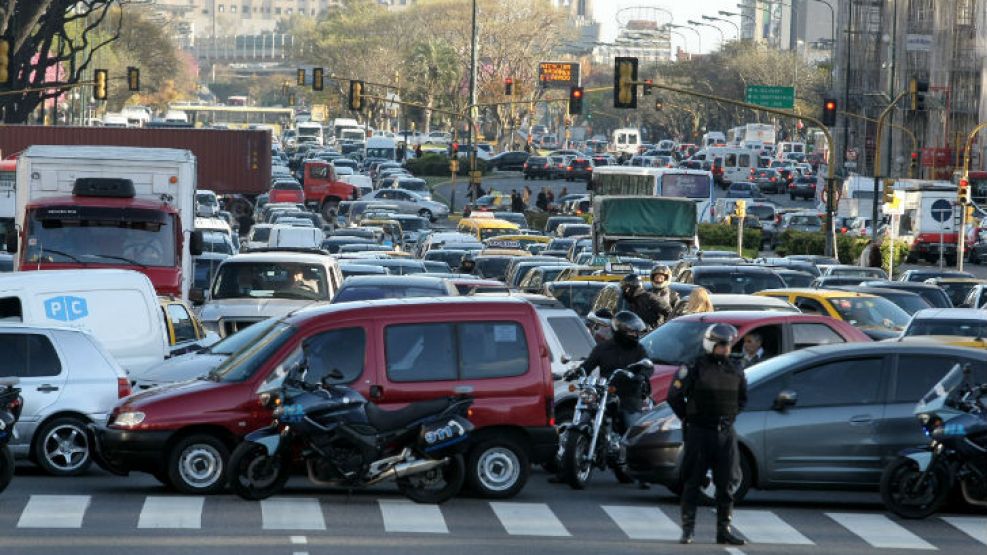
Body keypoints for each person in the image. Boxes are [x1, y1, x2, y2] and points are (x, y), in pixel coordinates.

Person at [666, 323, 748, 546]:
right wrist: (689, 418)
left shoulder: (736, 368)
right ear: (711, 344)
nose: (726, 349)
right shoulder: (694, 367)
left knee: (726, 484)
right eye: (722, 345)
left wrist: (728, 418)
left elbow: (742, 399)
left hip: (725, 434)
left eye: (729, 345)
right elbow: (674, 396)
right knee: (692, 482)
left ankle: (724, 530)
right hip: (699, 432)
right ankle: (688, 530)